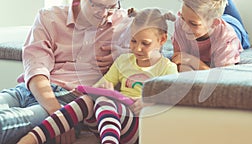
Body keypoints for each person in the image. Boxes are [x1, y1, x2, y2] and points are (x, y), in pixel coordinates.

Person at [0, 0, 131, 144]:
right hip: (28, 91)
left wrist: (121, 56)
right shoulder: (49, 18)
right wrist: (58, 118)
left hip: (70, 101)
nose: (104, 14)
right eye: (98, 5)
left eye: (112, 6)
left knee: (4, 124)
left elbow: (154, 50)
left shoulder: (124, 26)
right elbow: (36, 70)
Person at [18, 8, 178, 144]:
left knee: (103, 101)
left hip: (139, 124)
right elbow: (98, 87)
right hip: (110, 119)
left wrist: (150, 100)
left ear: (162, 39)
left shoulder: (167, 68)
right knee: (91, 99)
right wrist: (104, 88)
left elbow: (174, 96)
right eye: (133, 41)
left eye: (145, 43)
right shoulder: (123, 61)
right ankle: (31, 139)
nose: (137, 48)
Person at [172, 0, 248, 71]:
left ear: (214, 23)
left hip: (233, 24)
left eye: (193, 24)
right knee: (211, 5)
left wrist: (191, 60)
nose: (184, 27)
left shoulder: (227, 39)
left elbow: (222, 75)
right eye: (182, 17)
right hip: (208, 20)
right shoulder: (181, 23)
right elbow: (178, 58)